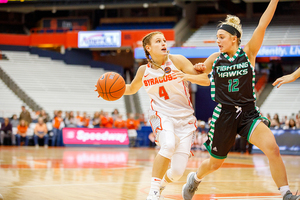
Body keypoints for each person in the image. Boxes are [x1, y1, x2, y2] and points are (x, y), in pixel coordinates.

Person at [181, 1, 300, 200]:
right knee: (215, 163)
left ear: (234, 38)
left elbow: (263, 23)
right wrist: (187, 76)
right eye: (216, 37)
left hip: (248, 112)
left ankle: (286, 193)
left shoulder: (248, 53)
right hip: (224, 115)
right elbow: (206, 79)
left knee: (273, 148)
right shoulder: (214, 59)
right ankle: (195, 178)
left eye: (221, 37)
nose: (217, 41)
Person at [123, 31, 210, 200]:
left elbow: (206, 80)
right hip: (161, 115)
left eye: (164, 40)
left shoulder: (177, 60)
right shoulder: (143, 71)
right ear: (148, 48)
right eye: (158, 41)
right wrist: (111, 92)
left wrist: (189, 76)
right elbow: (131, 89)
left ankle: (161, 186)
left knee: (177, 173)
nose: (164, 43)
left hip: (185, 119)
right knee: (168, 145)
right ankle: (153, 192)